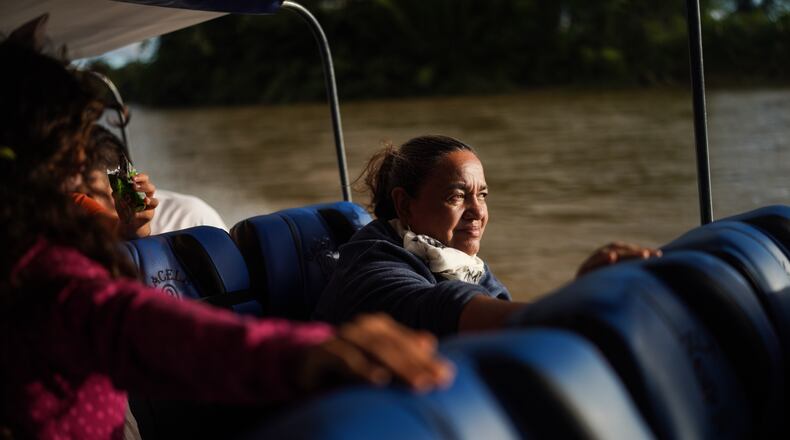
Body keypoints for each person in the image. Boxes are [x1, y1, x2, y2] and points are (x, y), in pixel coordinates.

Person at [0, 35, 453, 440]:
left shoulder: (32, 254)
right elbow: (161, 333)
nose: (84, 166)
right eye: (75, 153)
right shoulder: (47, 278)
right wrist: (308, 354)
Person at [313, 135, 661, 336]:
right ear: (404, 205)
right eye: (456, 196)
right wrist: (579, 299)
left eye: (482, 195)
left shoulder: (463, 265)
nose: (478, 212)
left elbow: (503, 313)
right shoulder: (372, 265)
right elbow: (440, 308)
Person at [78, 125, 228, 235]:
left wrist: (134, 227)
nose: (77, 208)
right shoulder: (65, 236)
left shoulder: (189, 217)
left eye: (88, 193)